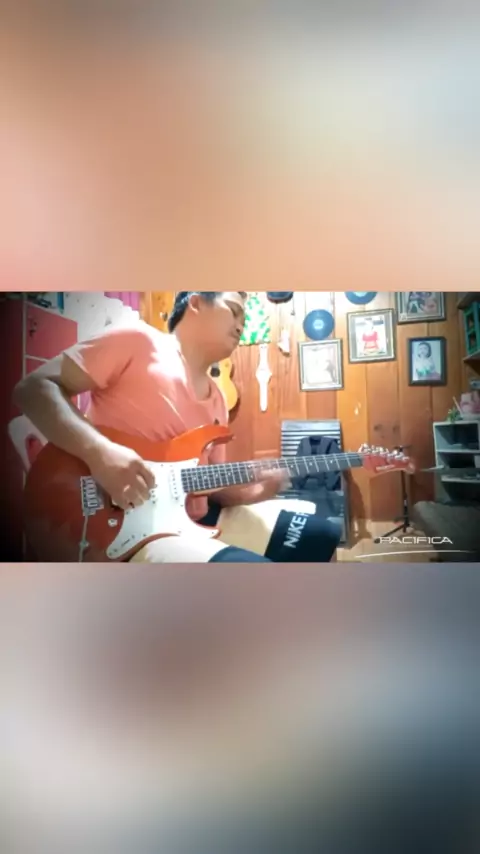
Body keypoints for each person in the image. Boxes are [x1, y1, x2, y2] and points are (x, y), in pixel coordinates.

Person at [14, 291, 340, 563]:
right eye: (233, 310)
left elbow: (208, 485)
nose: (242, 324)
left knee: (322, 534)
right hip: (120, 526)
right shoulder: (137, 341)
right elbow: (33, 389)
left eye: (245, 317)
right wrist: (99, 454)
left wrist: (254, 490)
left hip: (190, 520)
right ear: (195, 302)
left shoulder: (218, 401)